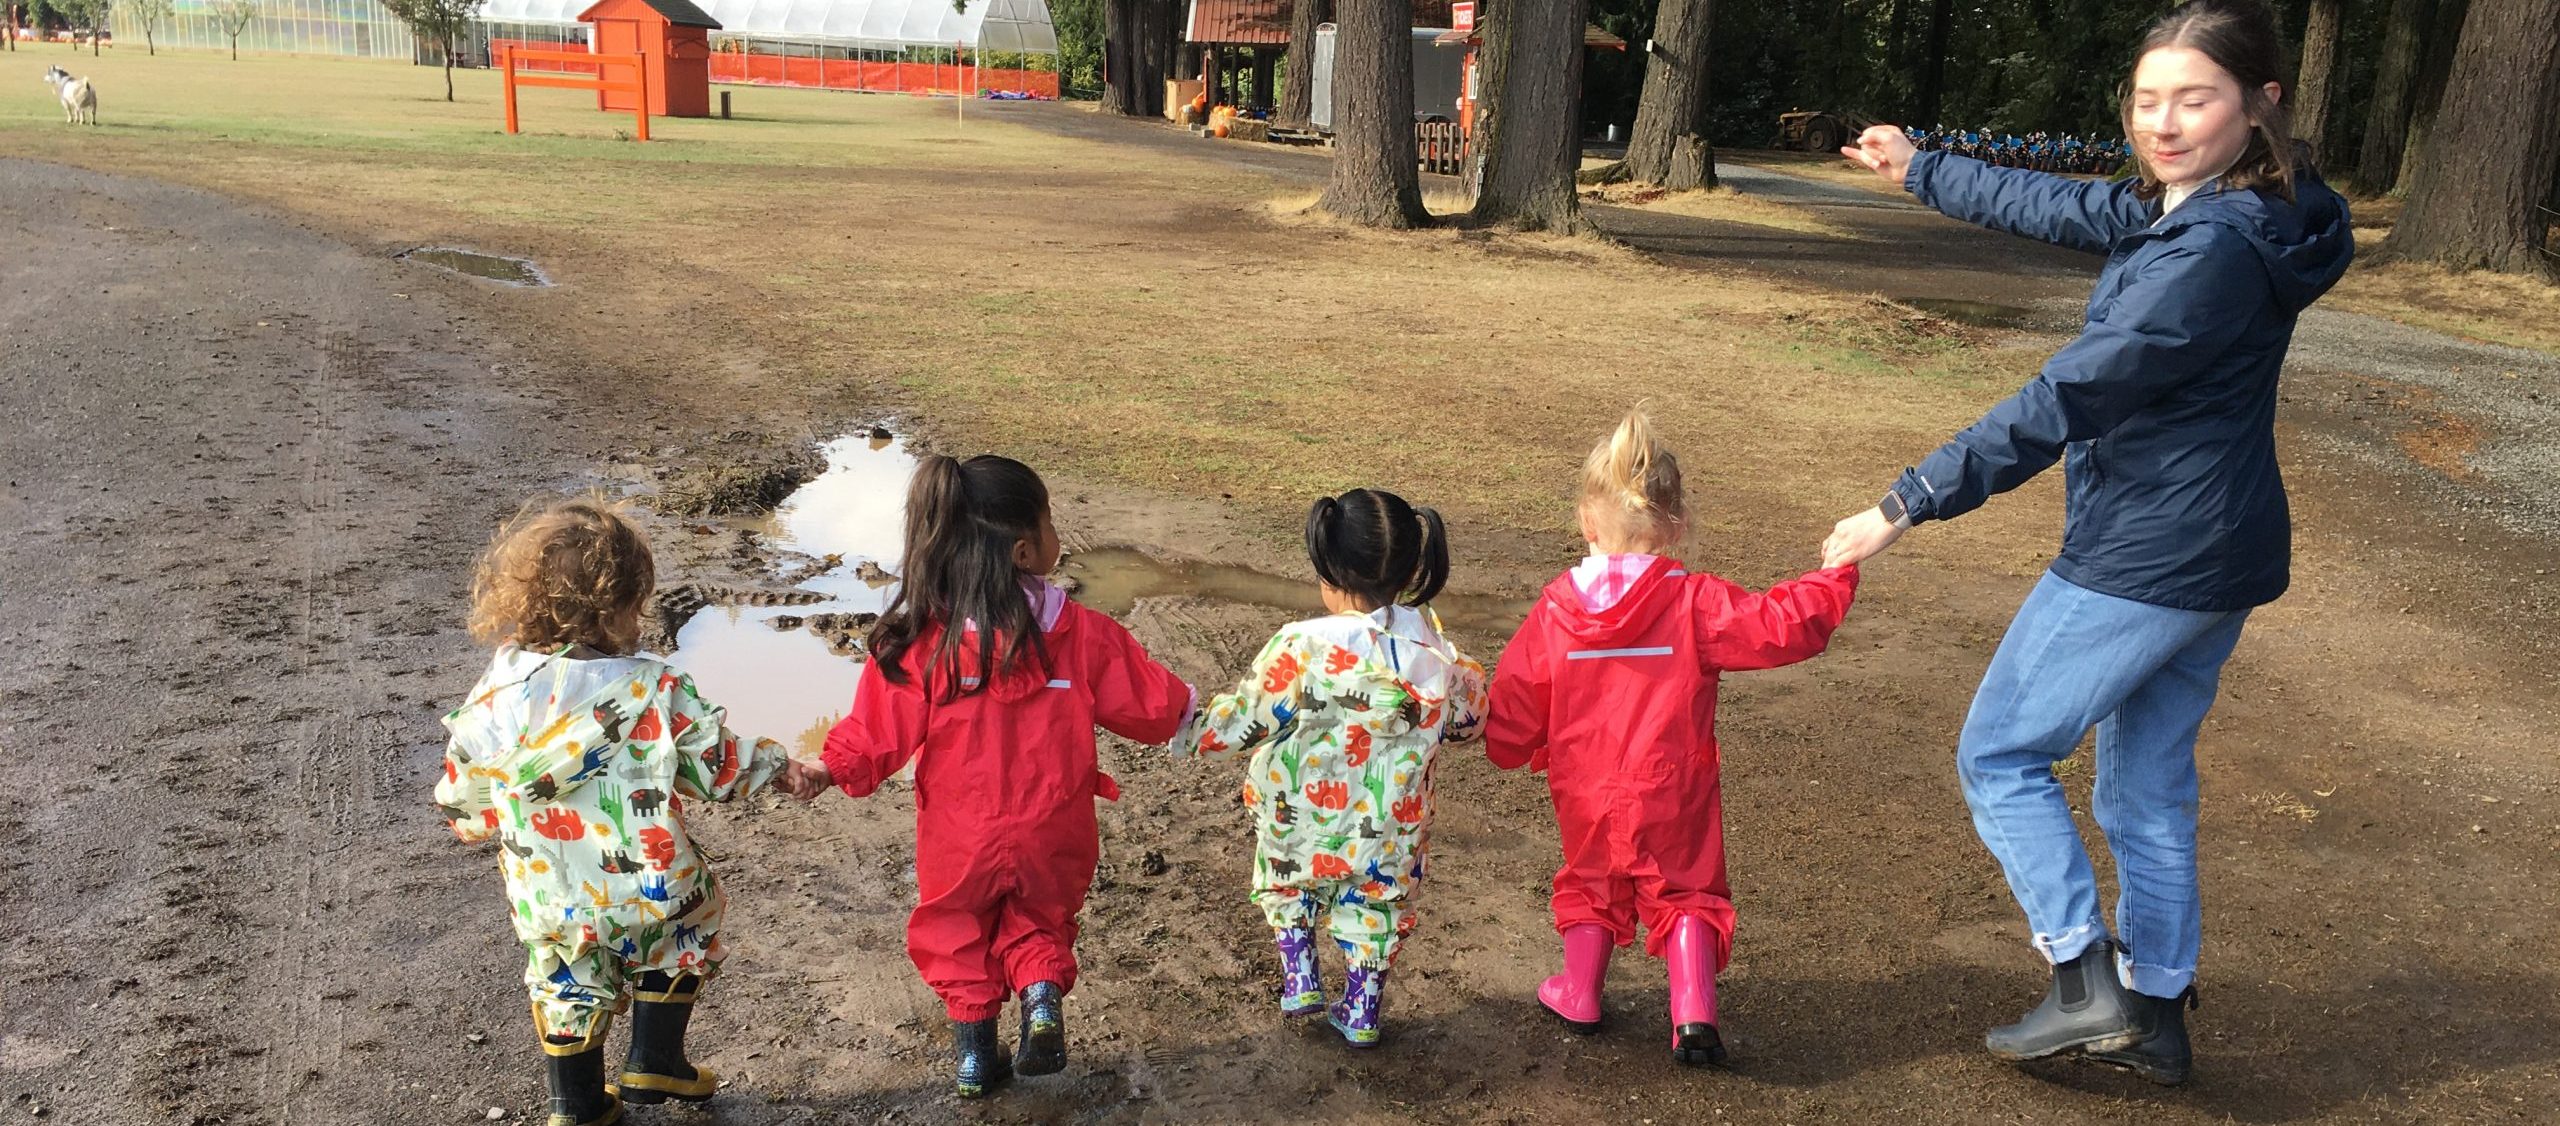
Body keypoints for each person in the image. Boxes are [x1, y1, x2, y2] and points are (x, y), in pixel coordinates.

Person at [1828, 0, 2352, 1087]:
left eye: (2194, 99)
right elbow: (2068, 203)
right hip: (2219, 546)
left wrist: (1907, 499)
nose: (2163, 122)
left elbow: (2071, 391)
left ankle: (2084, 984)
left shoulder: (2205, 254)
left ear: (2261, 104)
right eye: (2146, 99)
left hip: (2150, 552)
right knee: (2145, 785)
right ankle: (2154, 1007)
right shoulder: (2241, 209)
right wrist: (1925, 168)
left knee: (2000, 751)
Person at [803, 454, 1194, 1098]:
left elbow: (878, 732)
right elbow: (1152, 704)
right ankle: (1040, 996)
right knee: (1038, 917)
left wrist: (829, 765)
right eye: (1049, 523)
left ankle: (976, 1061)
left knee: (956, 927)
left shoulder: (923, 641)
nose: (1056, 537)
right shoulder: (1081, 634)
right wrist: (1200, 716)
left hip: (959, 834)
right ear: (1022, 550)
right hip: (1055, 823)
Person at [436, 496, 828, 1126]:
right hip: (650, 882)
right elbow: (715, 764)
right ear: (615, 608)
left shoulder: (496, 691)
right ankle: (653, 1057)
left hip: (550, 890)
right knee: (684, 930)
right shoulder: (652, 689)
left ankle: (576, 1104)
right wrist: (779, 766)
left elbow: (464, 790)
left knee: (564, 977)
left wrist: (474, 820)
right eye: (637, 605)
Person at [1486, 408, 1859, 1067]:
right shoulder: (1693, 602)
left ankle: (1579, 991)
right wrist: (1833, 579)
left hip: (1586, 783)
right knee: (1684, 888)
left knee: (1592, 880)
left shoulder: (1557, 610)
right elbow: (1777, 625)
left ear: (1586, 520)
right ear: (1676, 525)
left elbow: (1517, 695)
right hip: (1673, 779)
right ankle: (1692, 1015)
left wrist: (1505, 743)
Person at [1181, 489, 1489, 1048]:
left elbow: (1243, 721)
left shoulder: (1299, 646)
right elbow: (1470, 721)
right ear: (1413, 568)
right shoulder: (1436, 654)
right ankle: (1362, 1010)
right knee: (1376, 906)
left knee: (1286, 878)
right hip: (1390, 829)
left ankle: (1300, 974)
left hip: (1296, 819)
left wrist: (1188, 725)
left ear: (1328, 570)